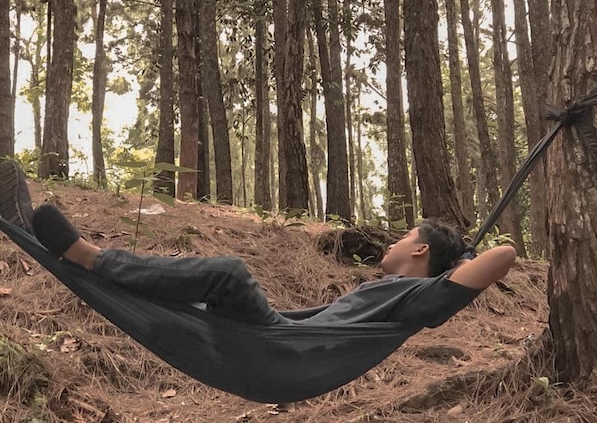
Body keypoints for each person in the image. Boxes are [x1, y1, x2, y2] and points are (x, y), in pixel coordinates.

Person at [0, 159, 516, 330]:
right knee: (218, 282)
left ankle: (87, 256)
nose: (399, 239)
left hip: (279, 348)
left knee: (228, 272)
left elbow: (506, 255)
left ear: (421, 251)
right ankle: (22, 224)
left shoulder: (417, 297)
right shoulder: (385, 291)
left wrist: (462, 258)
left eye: (408, 235)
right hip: (282, 335)